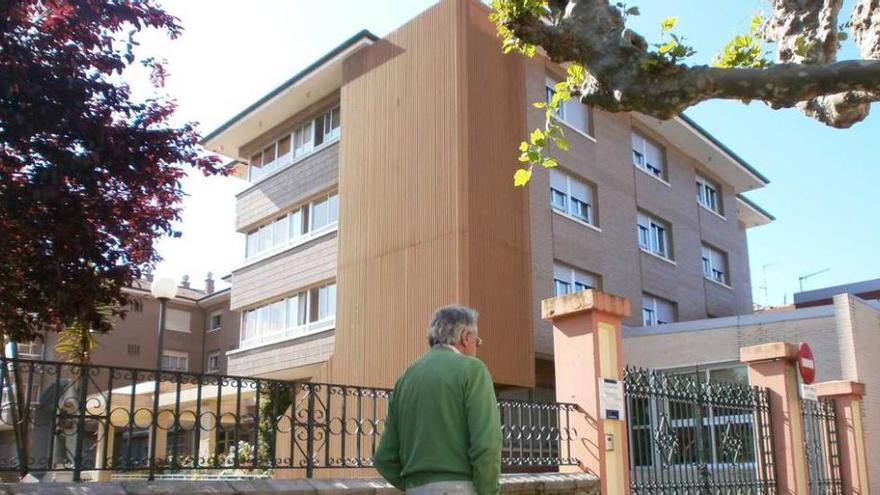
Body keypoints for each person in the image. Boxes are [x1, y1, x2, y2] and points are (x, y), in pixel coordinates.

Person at [374, 305, 501, 495]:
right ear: (466, 337)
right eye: (478, 342)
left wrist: (414, 484)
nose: (477, 348)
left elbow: (384, 458)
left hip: (415, 489)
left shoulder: (406, 378)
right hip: (461, 488)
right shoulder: (473, 370)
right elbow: (486, 446)